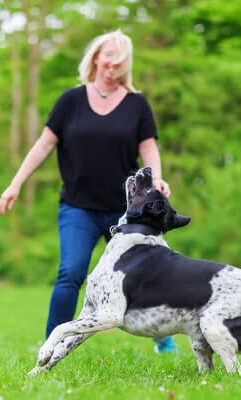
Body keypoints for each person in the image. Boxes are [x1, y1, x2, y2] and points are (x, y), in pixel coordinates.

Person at [0, 29, 178, 353]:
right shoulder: (71, 100)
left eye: (121, 59)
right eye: (109, 55)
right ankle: (52, 344)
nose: (114, 63)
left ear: (127, 65)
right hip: (78, 208)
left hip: (127, 213)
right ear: (96, 57)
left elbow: (149, 148)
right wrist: (16, 183)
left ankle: (162, 339)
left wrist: (158, 180)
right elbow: (44, 145)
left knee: (145, 274)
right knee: (71, 272)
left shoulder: (137, 105)